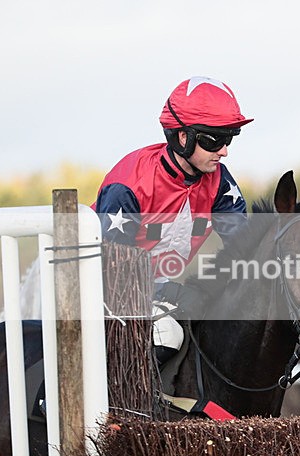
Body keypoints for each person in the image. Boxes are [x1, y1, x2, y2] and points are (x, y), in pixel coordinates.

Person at [94, 76, 252, 358]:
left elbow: (246, 249)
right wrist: (174, 295)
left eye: (228, 139)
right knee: (167, 335)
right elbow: (116, 278)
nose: (224, 151)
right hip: (93, 285)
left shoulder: (220, 183)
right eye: (215, 140)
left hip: (151, 289)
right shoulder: (129, 185)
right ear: (183, 136)